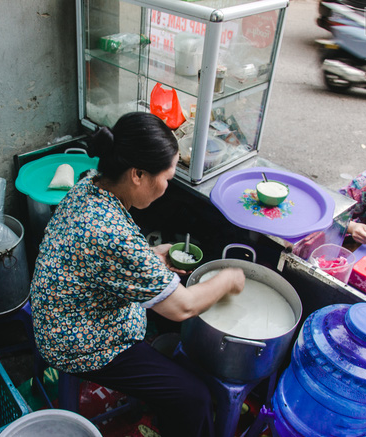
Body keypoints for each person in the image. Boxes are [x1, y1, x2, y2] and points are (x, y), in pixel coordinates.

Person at [29, 112, 246, 437]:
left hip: (60, 310)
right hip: (77, 340)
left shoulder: (90, 185)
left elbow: (103, 257)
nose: (166, 187)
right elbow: (183, 306)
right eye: (167, 178)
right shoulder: (114, 236)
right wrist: (229, 277)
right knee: (193, 398)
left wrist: (148, 257)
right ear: (138, 174)